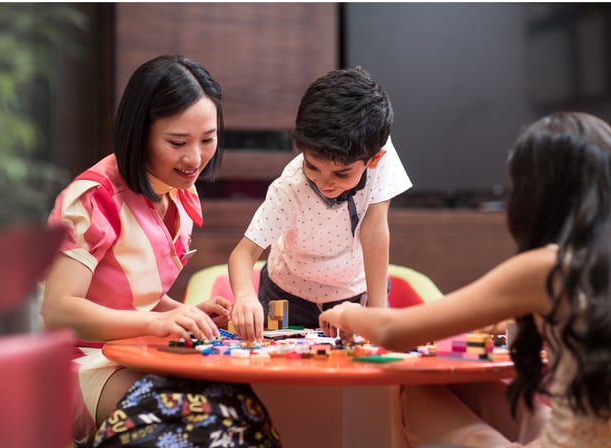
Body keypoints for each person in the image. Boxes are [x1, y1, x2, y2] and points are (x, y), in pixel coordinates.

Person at [319, 111, 611, 447]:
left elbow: (394, 332)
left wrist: (345, 313)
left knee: (415, 392)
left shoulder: (548, 266)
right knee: (470, 388)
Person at [41, 55, 280, 447]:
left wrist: (178, 312)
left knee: (243, 408)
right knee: (189, 415)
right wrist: (154, 325)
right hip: (75, 366)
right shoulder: (92, 199)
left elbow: (132, 296)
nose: (195, 158)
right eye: (177, 142)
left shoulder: (179, 190)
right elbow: (59, 312)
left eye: (208, 139)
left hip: (132, 355)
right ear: (140, 133)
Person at [228, 66, 412, 341]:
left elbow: (374, 231)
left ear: (373, 159)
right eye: (312, 166)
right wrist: (244, 297)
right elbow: (243, 254)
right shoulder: (290, 187)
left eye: (341, 173)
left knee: (357, 368)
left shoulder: (377, 151)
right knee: (283, 368)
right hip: (287, 293)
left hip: (356, 293)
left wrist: (377, 308)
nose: (325, 182)